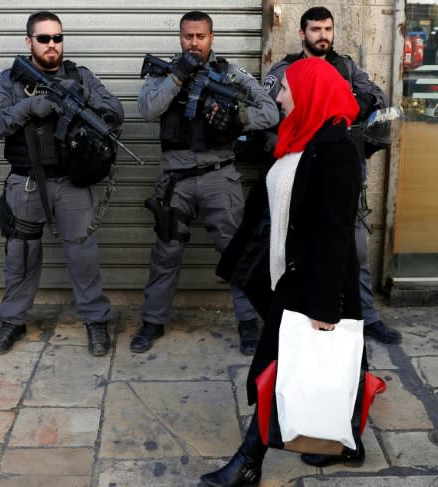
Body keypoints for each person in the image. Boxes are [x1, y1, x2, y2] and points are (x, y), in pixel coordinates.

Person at [201, 57, 366, 486]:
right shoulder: (301, 136)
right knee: (337, 362)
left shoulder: (338, 149)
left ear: (311, 91)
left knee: (277, 366)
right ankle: (346, 439)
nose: (278, 96)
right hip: (287, 271)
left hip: (312, 279)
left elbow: (335, 235)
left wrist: (324, 306)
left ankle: (249, 462)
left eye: (286, 88)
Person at [132, 11, 279, 354]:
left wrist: (238, 119)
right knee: (165, 253)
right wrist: (177, 78)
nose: (194, 43)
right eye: (188, 37)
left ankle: (247, 322)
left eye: (200, 36)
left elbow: (270, 111)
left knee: (237, 252)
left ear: (212, 37)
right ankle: (152, 322)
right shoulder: (165, 72)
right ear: (180, 38)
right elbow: (148, 109)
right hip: (175, 181)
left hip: (219, 178)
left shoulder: (229, 73)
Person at [0, 11, 123, 356]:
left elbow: (114, 112)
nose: (51, 45)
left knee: (83, 256)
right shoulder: (11, 81)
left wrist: (80, 99)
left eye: (57, 38)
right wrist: (30, 106)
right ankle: (13, 320)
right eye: (43, 38)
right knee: (21, 257)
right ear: (29, 41)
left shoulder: (81, 76)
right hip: (26, 184)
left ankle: (95, 319)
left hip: (72, 183)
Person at [262, 6, 402, 345]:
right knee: (297, 247)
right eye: (315, 29)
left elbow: (378, 100)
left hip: (342, 163)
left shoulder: (347, 68)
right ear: (302, 33)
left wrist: (343, 104)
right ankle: (289, 315)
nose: (322, 35)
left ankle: (364, 316)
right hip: (299, 169)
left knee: (353, 248)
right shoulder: (284, 71)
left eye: (327, 29)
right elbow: (265, 116)